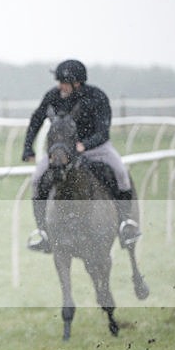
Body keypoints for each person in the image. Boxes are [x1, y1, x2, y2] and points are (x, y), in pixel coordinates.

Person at [23, 59, 141, 252]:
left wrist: (84, 145)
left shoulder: (97, 97)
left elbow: (103, 131)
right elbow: (36, 120)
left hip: (97, 149)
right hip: (61, 152)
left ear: (77, 83)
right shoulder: (53, 96)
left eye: (63, 82)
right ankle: (43, 233)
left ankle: (125, 223)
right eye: (59, 81)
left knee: (121, 174)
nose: (60, 86)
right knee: (37, 179)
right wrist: (28, 148)